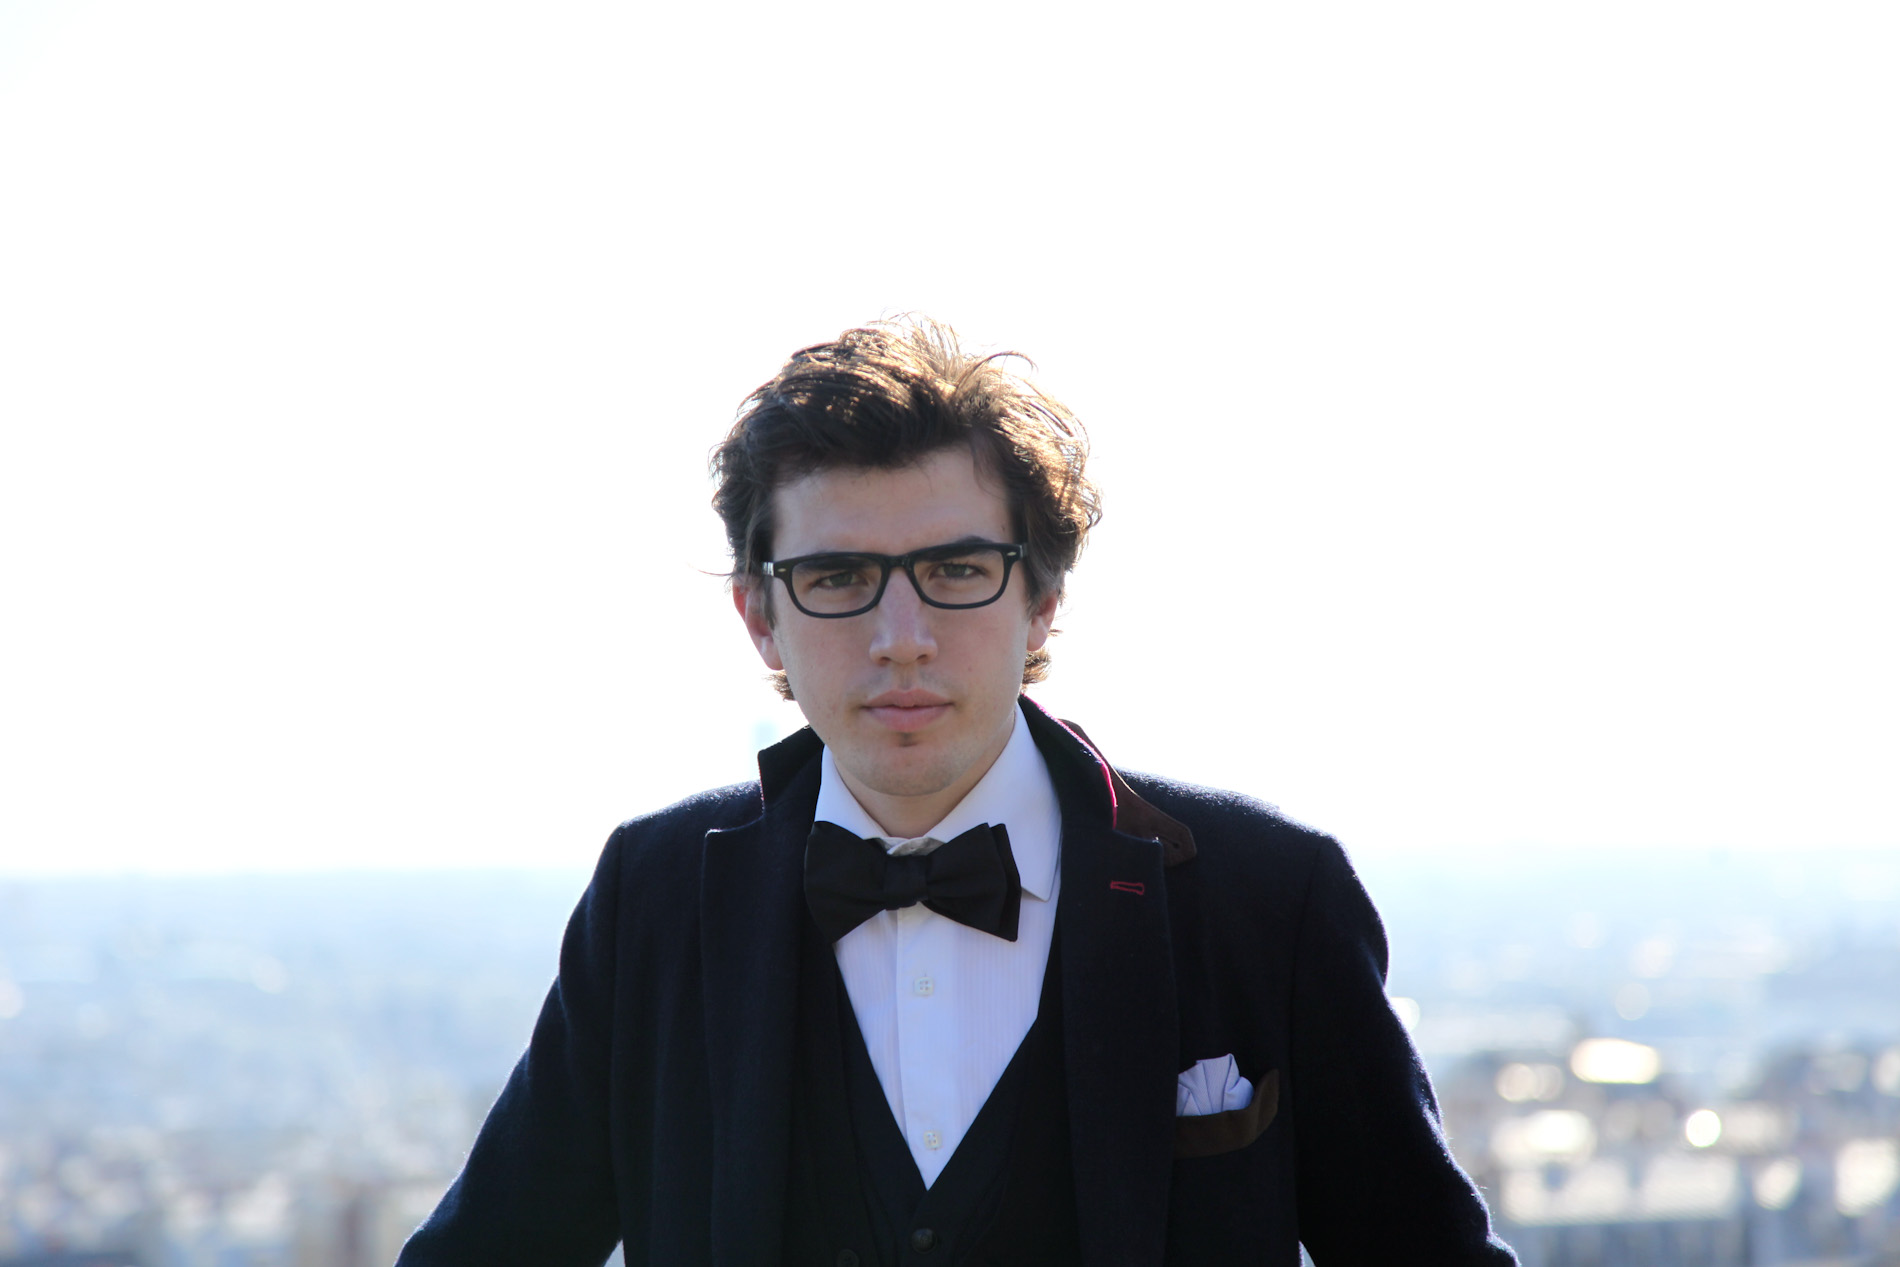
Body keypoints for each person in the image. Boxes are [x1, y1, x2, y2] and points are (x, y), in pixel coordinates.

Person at [396, 318, 1518, 1265]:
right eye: (838, 576)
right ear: (760, 616)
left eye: (956, 569)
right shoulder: (653, 896)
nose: (902, 637)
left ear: (1042, 599)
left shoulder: (1266, 897)